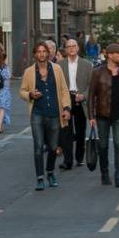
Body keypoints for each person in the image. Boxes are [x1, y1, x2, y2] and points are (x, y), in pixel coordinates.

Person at [19, 41, 71, 190]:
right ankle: (40, 178)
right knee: (38, 146)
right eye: (39, 52)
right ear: (35, 54)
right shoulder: (29, 72)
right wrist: (30, 94)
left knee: (53, 147)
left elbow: (64, 90)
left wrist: (66, 108)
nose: (41, 54)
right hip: (37, 113)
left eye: (44, 51)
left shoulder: (57, 69)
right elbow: (22, 91)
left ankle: (50, 172)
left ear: (48, 53)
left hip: (54, 113)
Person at [87, 42, 119, 188]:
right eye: (118, 53)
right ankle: (104, 173)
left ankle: (118, 175)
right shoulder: (97, 72)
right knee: (103, 146)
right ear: (109, 55)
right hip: (102, 114)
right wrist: (91, 116)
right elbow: (91, 96)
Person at [57, 36, 92, 168]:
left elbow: (91, 85)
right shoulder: (59, 65)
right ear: (65, 50)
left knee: (81, 130)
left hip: (80, 100)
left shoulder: (87, 65)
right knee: (66, 130)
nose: (71, 48)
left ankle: (79, 157)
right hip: (66, 99)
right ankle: (68, 161)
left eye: (74, 46)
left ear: (78, 48)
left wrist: (84, 95)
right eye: (69, 46)